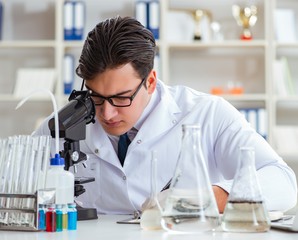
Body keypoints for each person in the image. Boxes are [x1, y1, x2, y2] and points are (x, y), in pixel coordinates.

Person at [34, 16, 297, 215]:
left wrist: (203, 198)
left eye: (121, 98)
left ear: (150, 82)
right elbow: (13, 176)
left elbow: (283, 183)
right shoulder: (67, 123)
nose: (107, 112)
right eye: (97, 97)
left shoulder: (208, 114)